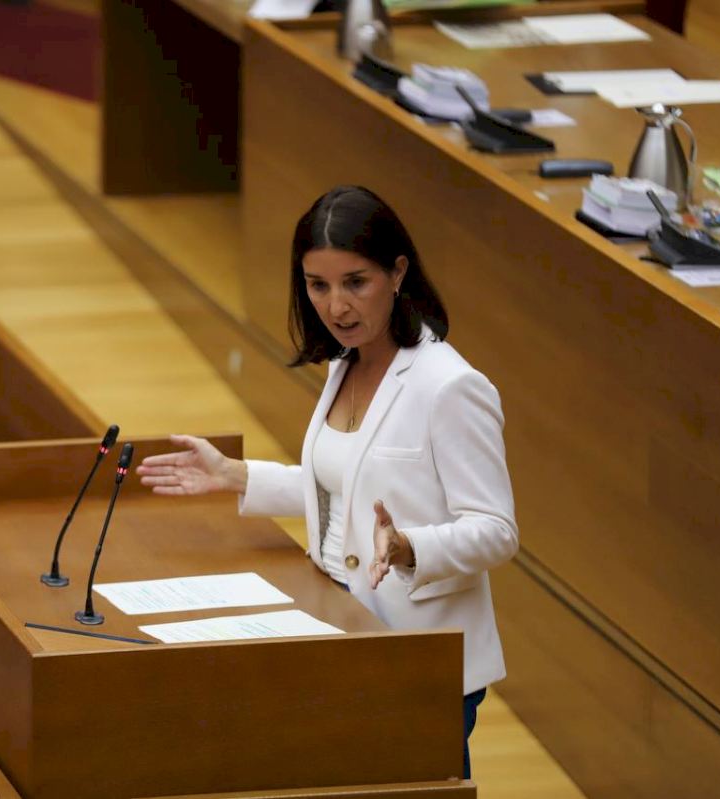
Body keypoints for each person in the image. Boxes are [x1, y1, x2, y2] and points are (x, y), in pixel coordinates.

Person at [137, 185, 518, 780]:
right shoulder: (346, 361)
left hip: (420, 655)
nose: (336, 306)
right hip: (343, 631)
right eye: (318, 285)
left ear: (397, 273)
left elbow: (496, 531)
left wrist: (410, 546)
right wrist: (234, 475)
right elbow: (348, 487)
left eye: (355, 283)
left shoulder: (450, 386)